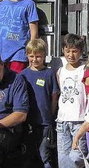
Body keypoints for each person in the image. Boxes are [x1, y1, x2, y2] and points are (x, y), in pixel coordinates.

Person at [21, 39, 60, 168]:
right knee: (29, 154)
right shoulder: (23, 74)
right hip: (28, 122)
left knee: (45, 154)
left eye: (38, 56)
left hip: (45, 122)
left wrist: (51, 115)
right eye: (31, 56)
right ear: (27, 55)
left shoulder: (49, 73)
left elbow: (54, 96)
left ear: (44, 56)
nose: (35, 59)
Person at [0, 0, 39, 72]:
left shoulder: (29, 4)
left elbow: (34, 31)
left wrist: (31, 53)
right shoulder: (1, 5)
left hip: (20, 53)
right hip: (2, 53)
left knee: (15, 82)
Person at [57, 34, 88, 168]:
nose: (71, 54)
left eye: (74, 51)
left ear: (81, 51)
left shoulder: (85, 69)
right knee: (63, 157)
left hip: (80, 120)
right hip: (62, 120)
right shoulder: (60, 71)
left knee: (78, 155)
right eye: (67, 50)